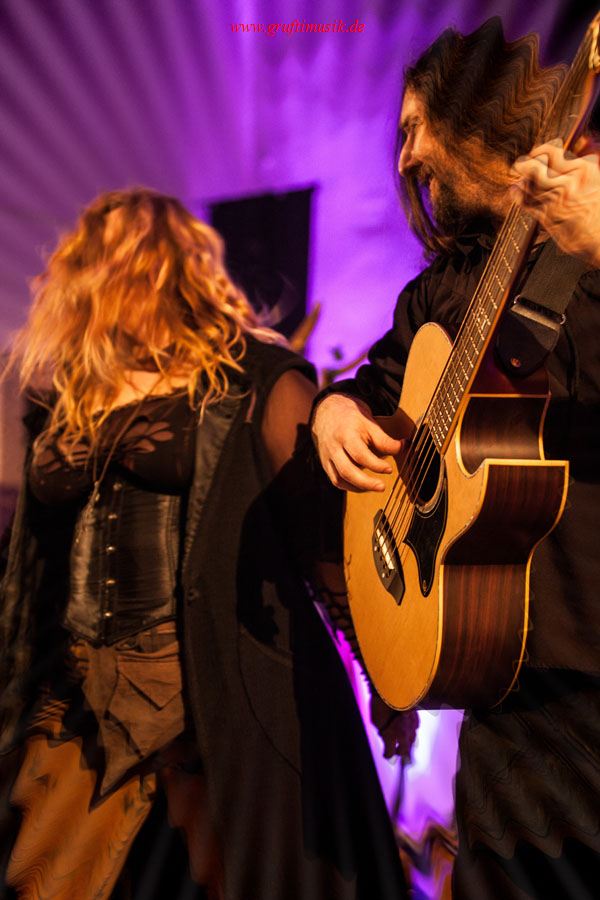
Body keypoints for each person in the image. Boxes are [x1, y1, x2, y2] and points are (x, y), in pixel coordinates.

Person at [0, 188, 411, 899]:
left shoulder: (249, 378)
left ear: (173, 269)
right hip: (74, 704)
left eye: (137, 260)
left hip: (211, 698)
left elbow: (319, 539)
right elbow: (29, 566)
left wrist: (382, 672)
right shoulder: (64, 398)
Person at [311, 17, 600, 900]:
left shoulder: (588, 236)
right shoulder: (441, 287)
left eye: (414, 129)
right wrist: (332, 411)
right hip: (504, 690)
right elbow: (376, 387)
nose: (405, 159)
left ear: (473, 117)